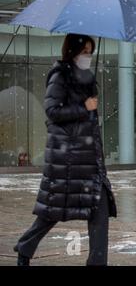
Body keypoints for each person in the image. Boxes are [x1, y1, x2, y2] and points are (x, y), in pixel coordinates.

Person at [13, 33, 117, 266]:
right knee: (51, 213)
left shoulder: (87, 80)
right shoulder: (59, 77)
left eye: (91, 52)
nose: (88, 57)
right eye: (84, 52)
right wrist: (83, 107)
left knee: (99, 214)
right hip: (67, 161)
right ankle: (25, 247)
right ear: (72, 52)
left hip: (90, 162)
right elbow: (52, 112)